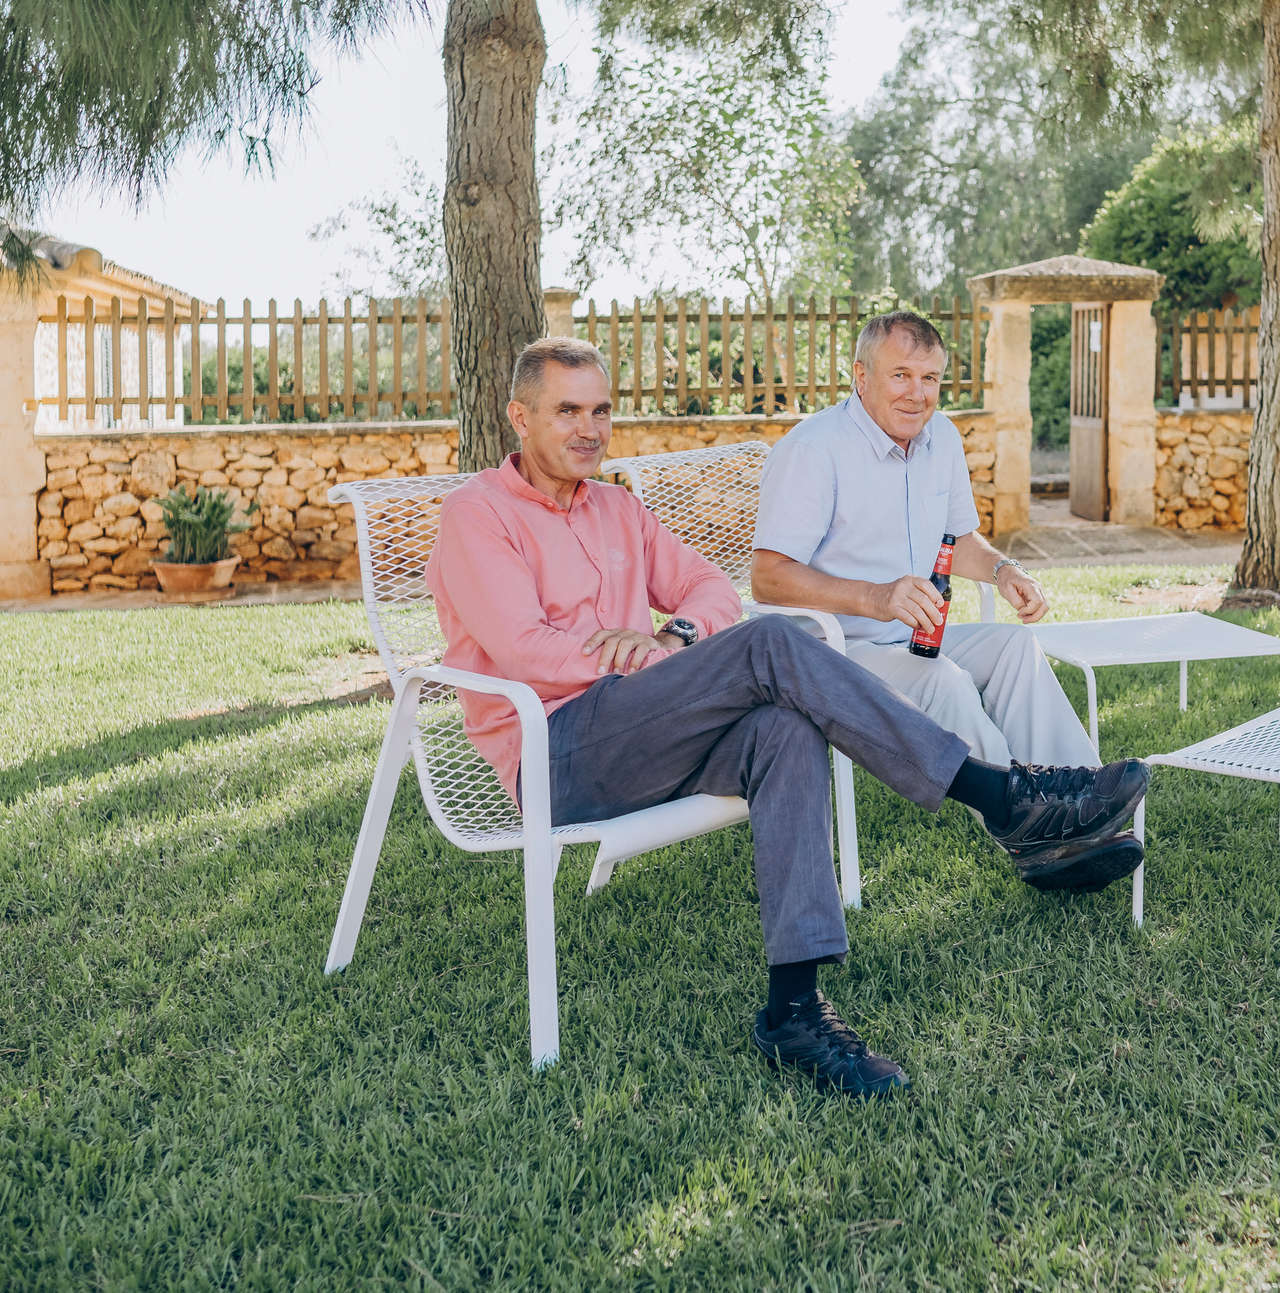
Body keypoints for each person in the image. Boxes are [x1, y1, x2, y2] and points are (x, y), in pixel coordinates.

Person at [427, 337, 1150, 1097]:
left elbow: (709, 588)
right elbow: (524, 648)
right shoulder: (477, 514)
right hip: (558, 752)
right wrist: (647, 657)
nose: (589, 428)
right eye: (567, 410)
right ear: (519, 415)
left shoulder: (618, 507)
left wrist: (671, 636)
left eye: (601, 409)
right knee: (772, 641)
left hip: (651, 725)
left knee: (785, 726)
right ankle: (1006, 797)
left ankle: (794, 1008)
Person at [750, 310, 1142, 894]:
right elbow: (767, 577)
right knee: (947, 683)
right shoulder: (815, 450)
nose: (918, 394)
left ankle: (1084, 802)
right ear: (861, 376)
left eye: (930, 378)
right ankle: (1031, 824)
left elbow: (955, 541)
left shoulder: (943, 437)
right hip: (833, 652)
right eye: (901, 375)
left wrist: (1004, 571)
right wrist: (875, 598)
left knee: (1013, 646)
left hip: (913, 637)